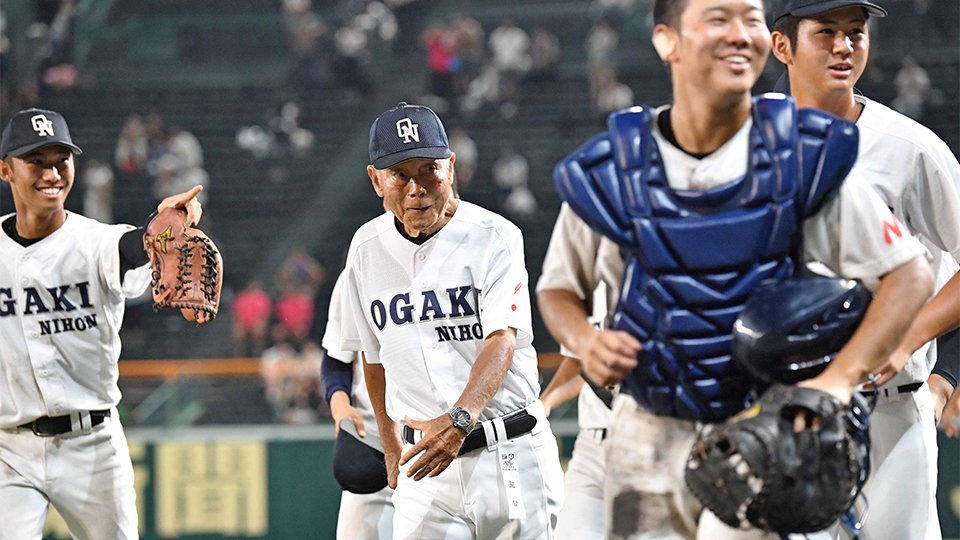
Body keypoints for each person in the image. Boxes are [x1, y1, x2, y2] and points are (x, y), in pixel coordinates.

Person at [547, 0, 935, 538]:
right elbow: (558, 290)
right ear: (667, 41)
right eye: (717, 19)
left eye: (750, 19)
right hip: (647, 429)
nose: (739, 35)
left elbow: (910, 274)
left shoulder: (800, 156)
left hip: (762, 429)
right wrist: (584, 342)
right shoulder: (617, 165)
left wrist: (836, 382)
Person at [770, 1, 960, 538]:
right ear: (782, 46)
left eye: (855, 33)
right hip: (780, 410)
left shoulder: (911, 148)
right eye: (825, 32)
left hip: (888, 414)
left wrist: (907, 337)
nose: (844, 46)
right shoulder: (749, 139)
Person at [337, 102, 564, 538]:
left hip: (508, 452)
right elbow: (373, 355)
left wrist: (461, 419)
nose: (417, 187)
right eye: (399, 174)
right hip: (424, 470)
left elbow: (502, 339)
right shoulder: (365, 249)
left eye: (429, 170)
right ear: (375, 180)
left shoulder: (495, 236)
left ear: (451, 167)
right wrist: (388, 444)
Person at [0, 107, 206, 538]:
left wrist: (162, 227)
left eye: (61, 160)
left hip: (91, 445)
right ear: (6, 170)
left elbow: (134, 245)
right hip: (8, 448)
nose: (51, 172)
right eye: (36, 161)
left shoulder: (94, 242)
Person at [321, 271, 394, 540]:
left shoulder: (462, 260)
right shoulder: (360, 266)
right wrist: (340, 405)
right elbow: (336, 358)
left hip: (439, 446)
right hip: (374, 441)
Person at [538, 284, 613, 540]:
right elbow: (579, 361)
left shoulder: (673, 275)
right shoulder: (593, 283)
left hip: (649, 438)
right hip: (592, 445)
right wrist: (545, 403)